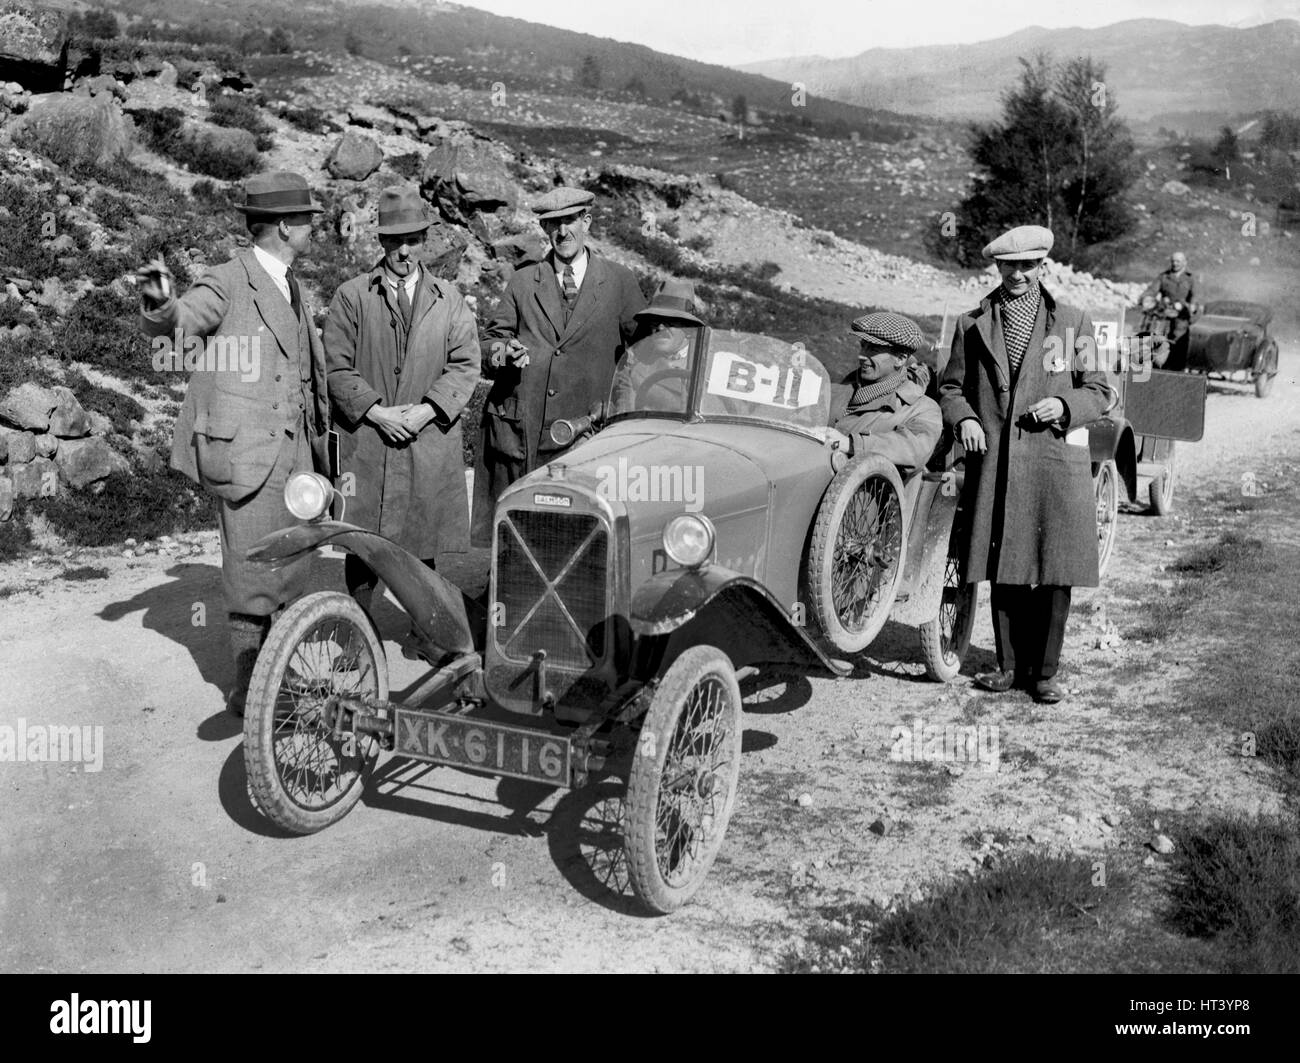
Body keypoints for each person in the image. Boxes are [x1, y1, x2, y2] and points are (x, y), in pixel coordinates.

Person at [136, 171, 331, 716]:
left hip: (291, 452)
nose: (314, 227)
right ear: (286, 226)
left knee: (290, 560)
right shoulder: (226, 279)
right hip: (247, 453)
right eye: (307, 219)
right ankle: (247, 687)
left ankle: (278, 668)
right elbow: (177, 322)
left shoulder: (292, 282)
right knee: (249, 565)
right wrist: (154, 286)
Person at [939, 224, 1115, 704]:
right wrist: (966, 420)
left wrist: (1065, 408)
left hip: (1054, 460)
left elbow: (1100, 389)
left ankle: (1046, 672)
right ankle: (1008, 665)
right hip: (996, 459)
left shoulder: (1073, 321)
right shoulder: (971, 323)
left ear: (1043, 267)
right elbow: (949, 389)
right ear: (997, 267)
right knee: (1004, 560)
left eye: (1027, 265)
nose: (1017, 274)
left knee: (1055, 564)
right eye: (1008, 265)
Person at [323, 184, 481, 622]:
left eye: (413, 241)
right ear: (382, 242)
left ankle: (427, 629)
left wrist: (427, 409)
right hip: (369, 440)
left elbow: (465, 366)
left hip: (426, 438)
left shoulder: (449, 301)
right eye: (396, 241)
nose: (405, 251)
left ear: (424, 242)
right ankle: (359, 630)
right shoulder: (352, 296)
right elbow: (334, 367)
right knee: (362, 543)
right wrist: (376, 412)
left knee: (422, 543)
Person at [473, 186, 646, 542]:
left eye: (569, 221)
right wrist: (504, 353)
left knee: (579, 534)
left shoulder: (619, 282)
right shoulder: (523, 281)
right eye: (552, 224)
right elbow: (490, 342)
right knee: (517, 529)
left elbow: (644, 351)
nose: (561, 232)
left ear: (586, 222)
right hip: (526, 430)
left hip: (585, 434)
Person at [822, 311, 942, 475]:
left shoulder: (922, 409)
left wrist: (850, 444)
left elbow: (913, 450)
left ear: (900, 359)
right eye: (863, 345)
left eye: (873, 349)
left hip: (867, 496)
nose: (861, 355)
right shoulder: (835, 390)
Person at [610, 278, 704, 414]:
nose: (660, 327)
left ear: (688, 328)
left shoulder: (708, 364)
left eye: (670, 321)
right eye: (655, 321)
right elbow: (624, 414)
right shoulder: (634, 364)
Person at [1141, 251, 1195, 369]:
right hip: (1164, 318)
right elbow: (1152, 289)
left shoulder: (1190, 279)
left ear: (1185, 263)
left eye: (1178, 261)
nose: (1175, 264)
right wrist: (1147, 298)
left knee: (1178, 350)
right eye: (1173, 261)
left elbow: (1195, 299)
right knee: (1159, 344)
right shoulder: (1164, 277)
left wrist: (1187, 308)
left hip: (1181, 321)